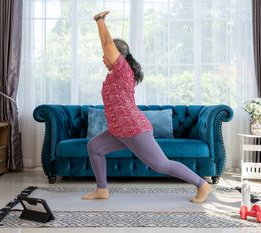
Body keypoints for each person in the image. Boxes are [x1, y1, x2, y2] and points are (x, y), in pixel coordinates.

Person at [81, 11, 211, 203]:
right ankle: (102, 190)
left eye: (105, 54)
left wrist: (99, 21)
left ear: (117, 56)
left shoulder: (122, 70)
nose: (103, 57)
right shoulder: (113, 75)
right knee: (94, 146)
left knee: (161, 165)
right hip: (119, 130)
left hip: (133, 129)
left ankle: (202, 184)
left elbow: (108, 44)